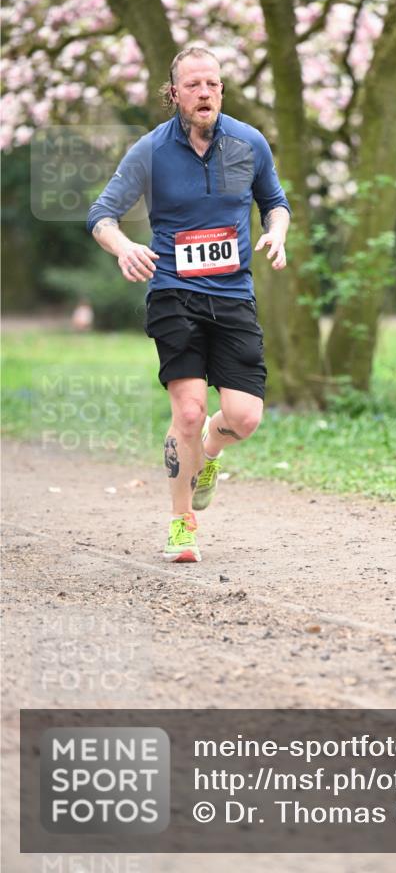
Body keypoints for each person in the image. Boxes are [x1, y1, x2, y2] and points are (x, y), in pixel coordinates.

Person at [86, 46, 290, 564]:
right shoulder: (151, 151)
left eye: (213, 84)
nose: (205, 93)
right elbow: (102, 215)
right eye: (194, 85)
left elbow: (275, 203)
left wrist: (278, 235)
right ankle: (182, 524)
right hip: (173, 291)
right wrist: (125, 246)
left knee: (243, 418)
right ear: (174, 92)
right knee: (189, 407)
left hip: (234, 294)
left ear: (222, 89)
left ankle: (212, 447)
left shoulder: (248, 143)